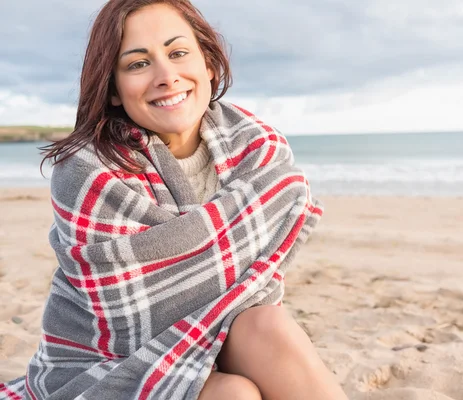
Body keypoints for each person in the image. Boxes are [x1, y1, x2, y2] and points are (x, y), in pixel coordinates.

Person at [0, 1, 348, 399]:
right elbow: (130, 313)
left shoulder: (258, 149)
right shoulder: (86, 171)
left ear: (209, 64)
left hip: (230, 334)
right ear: (114, 89)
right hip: (105, 357)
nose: (166, 77)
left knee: (264, 323)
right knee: (232, 393)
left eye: (178, 53)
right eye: (137, 64)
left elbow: (258, 291)